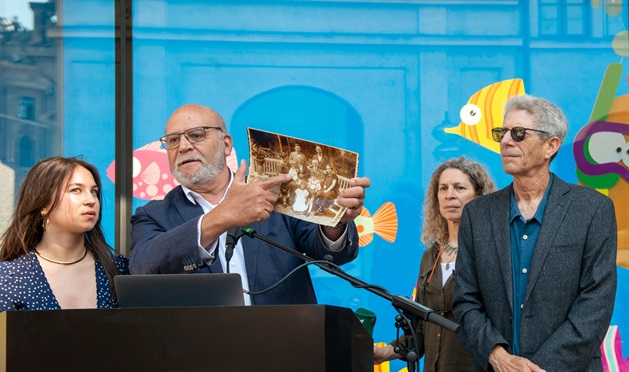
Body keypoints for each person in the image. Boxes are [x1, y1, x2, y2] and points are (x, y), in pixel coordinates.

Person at [452, 95, 617, 372]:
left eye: (519, 133)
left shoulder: (592, 210)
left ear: (551, 145)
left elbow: (594, 307)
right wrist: (499, 360)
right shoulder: (477, 214)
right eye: (503, 133)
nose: (506, 142)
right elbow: (465, 302)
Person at [129, 104, 371, 305]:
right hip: (203, 357)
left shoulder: (275, 191)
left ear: (225, 144)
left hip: (288, 349)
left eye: (196, 135)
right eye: (172, 140)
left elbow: (331, 254)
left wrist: (336, 220)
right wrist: (224, 215)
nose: (183, 146)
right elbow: (142, 267)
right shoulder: (153, 215)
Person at [374, 157, 496, 372]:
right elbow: (422, 324)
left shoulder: (491, 253)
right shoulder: (430, 256)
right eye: (443, 188)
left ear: (479, 196)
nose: (449, 195)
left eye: (459, 188)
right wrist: (387, 352)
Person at [0, 157, 129, 310]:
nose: (90, 200)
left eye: (94, 191)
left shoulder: (120, 271)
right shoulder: (9, 278)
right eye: (75, 190)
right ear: (43, 204)